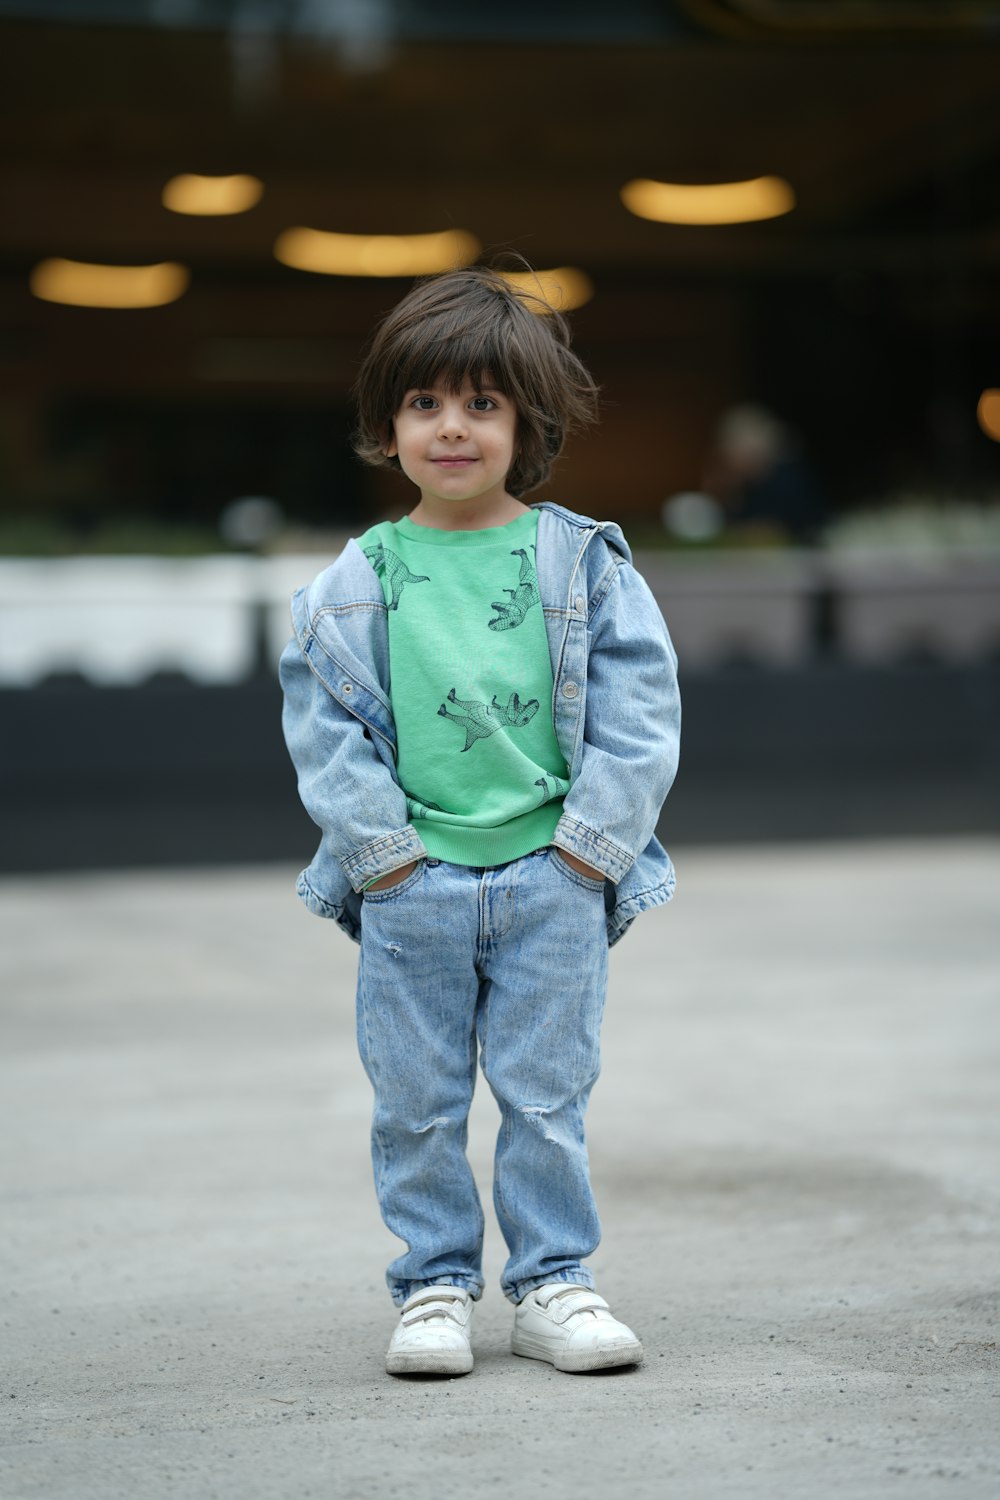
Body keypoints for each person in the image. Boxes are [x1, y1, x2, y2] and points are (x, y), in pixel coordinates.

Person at [279, 266, 680, 1378]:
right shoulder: (352, 583)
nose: (450, 428)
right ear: (388, 424)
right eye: (424, 404)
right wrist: (387, 863)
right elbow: (324, 735)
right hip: (413, 884)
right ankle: (434, 1289)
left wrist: (583, 855)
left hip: (553, 875)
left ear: (526, 424)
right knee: (415, 1105)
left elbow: (642, 716)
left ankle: (555, 1285)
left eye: (481, 404)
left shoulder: (581, 562)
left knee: (546, 1100)